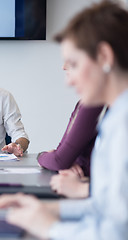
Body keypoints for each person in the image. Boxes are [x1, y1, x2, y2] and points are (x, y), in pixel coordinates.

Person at [0, 1, 128, 239]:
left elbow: (115, 232)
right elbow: (108, 207)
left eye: (74, 64)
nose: (68, 80)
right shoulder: (115, 120)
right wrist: (46, 210)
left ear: (104, 56)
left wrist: (47, 227)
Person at [38, 61, 105, 198]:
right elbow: (62, 153)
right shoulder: (84, 103)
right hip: (85, 189)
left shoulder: (94, 103)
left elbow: (59, 160)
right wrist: (65, 160)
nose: (63, 67)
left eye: (72, 61)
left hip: (88, 192)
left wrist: (40, 156)